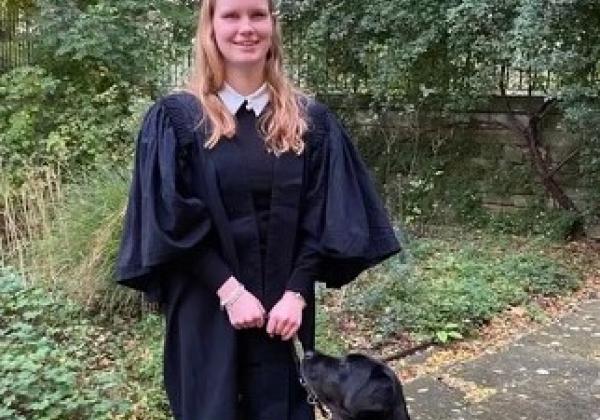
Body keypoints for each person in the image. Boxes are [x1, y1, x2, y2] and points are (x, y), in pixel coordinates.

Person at [115, 0, 401, 419]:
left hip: (283, 318)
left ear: (272, 25)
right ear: (210, 26)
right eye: (231, 15)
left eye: (257, 15)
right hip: (205, 312)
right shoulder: (178, 121)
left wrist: (297, 293)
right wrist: (229, 291)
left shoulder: (310, 122)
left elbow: (324, 216)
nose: (246, 28)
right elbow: (168, 221)